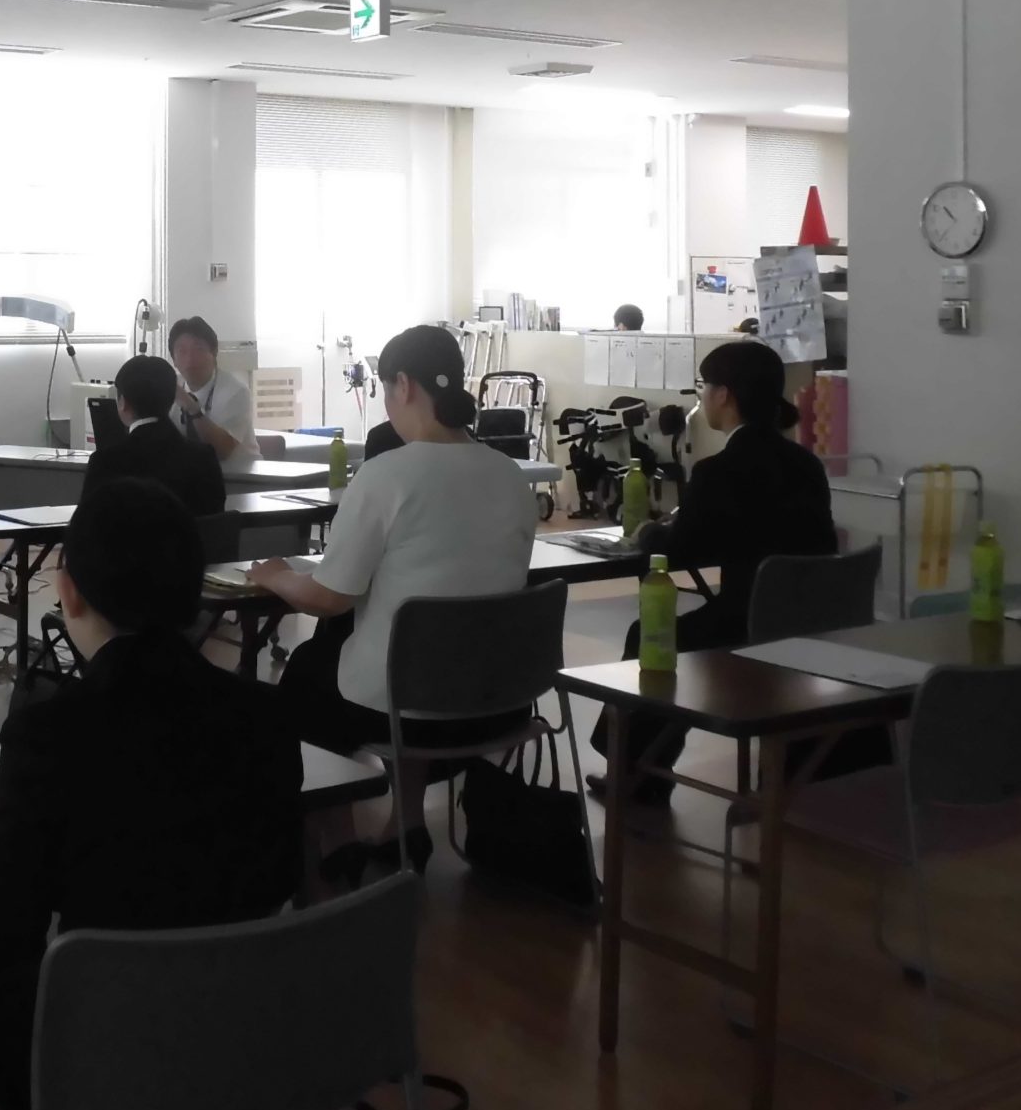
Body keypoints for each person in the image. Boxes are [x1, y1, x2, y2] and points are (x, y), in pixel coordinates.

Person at [0, 477, 302, 1110]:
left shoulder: (47, 733)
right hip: (244, 1042)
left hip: (98, 1069)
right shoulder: (266, 715)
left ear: (69, 593)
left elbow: (8, 923)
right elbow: (281, 873)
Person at [249, 324, 535, 861]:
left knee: (311, 672)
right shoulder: (511, 475)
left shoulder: (387, 475)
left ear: (403, 384)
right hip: (502, 699)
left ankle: (338, 847)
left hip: (405, 707)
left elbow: (329, 597)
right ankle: (405, 825)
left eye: (385, 390)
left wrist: (275, 575)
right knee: (417, 655)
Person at [588, 339, 838, 813]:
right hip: (812, 624)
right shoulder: (806, 464)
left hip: (747, 629)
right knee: (687, 628)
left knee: (651, 635)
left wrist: (649, 533)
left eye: (704, 386)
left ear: (725, 394)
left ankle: (636, 772)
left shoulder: (719, 470)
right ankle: (643, 770)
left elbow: (681, 550)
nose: (701, 396)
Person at [81, 353, 225, 516]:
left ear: (123, 403)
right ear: (171, 400)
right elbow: (214, 525)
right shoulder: (204, 458)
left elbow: (87, 526)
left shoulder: (105, 462)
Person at [169, 314, 257, 474]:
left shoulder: (236, 392)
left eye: (198, 349)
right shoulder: (171, 386)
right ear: (174, 360)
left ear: (214, 352)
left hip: (240, 477)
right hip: (191, 475)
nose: (190, 358)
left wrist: (192, 408)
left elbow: (223, 450)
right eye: (182, 351)